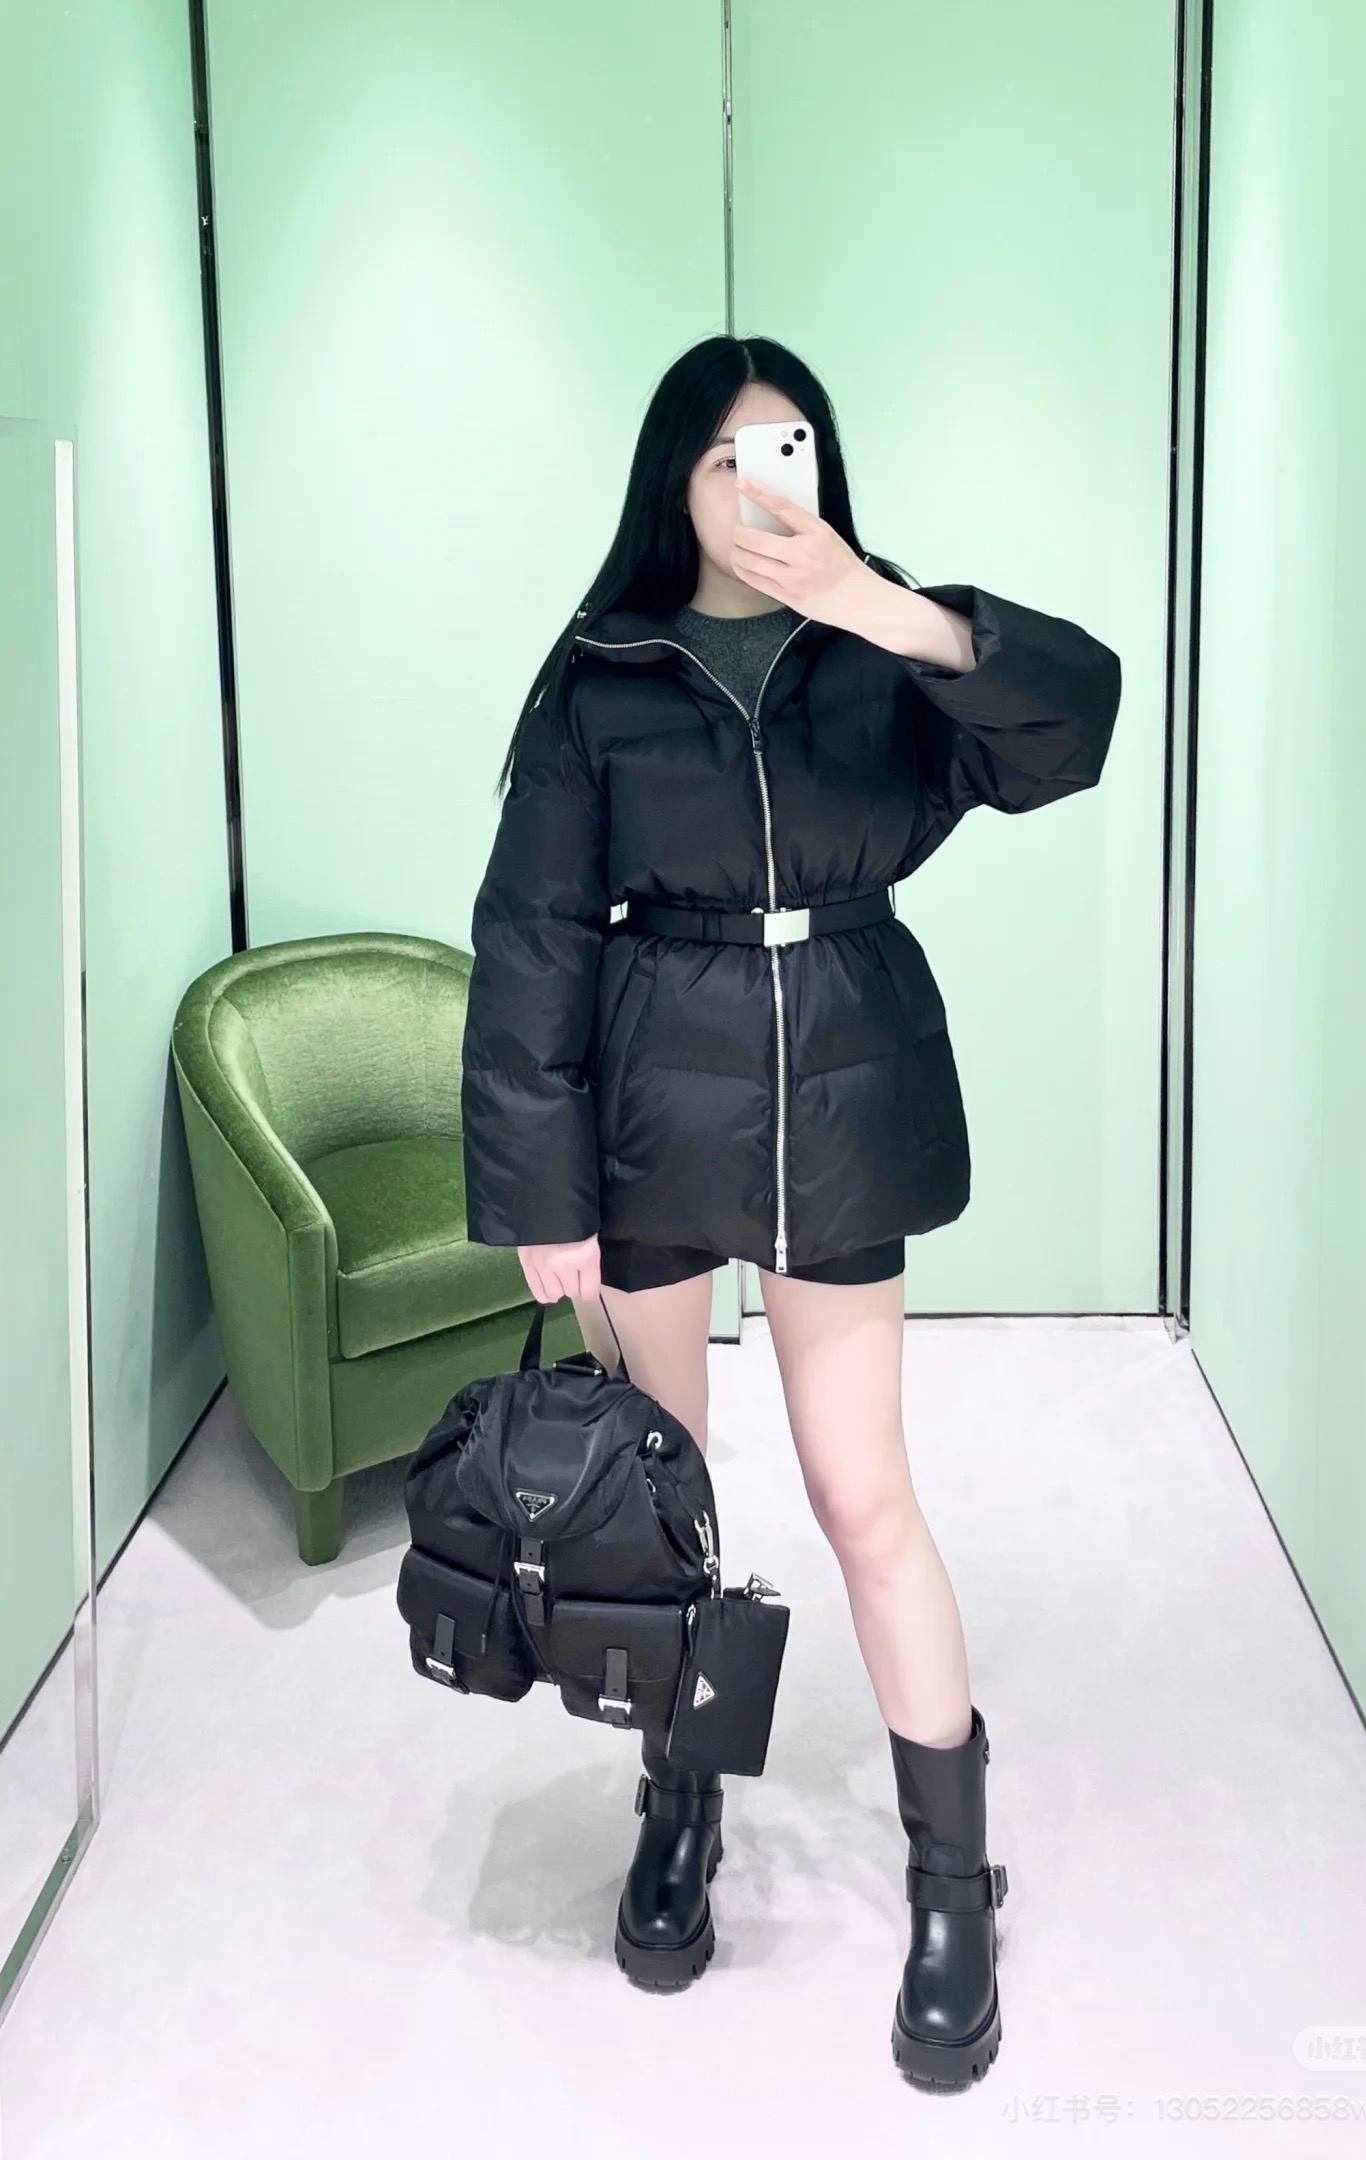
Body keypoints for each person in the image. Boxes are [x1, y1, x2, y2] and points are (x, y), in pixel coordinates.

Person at [461, 334, 1122, 2091]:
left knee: (859, 1492)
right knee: (660, 1496)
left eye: (795, 447)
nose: (767, 482)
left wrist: (888, 609)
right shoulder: (604, 671)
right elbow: (529, 938)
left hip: (840, 1086)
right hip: (654, 1100)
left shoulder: (883, 648)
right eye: (731, 455)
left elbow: (1073, 725)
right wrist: (539, 1191)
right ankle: (680, 1802)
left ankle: (953, 1879)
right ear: (674, 480)